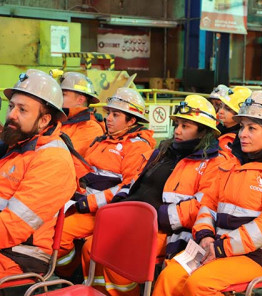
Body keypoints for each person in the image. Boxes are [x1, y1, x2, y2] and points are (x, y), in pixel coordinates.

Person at [152, 91, 262, 296]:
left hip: (257, 257)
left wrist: (220, 248)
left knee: (199, 284)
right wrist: (205, 235)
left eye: (252, 128)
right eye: (242, 127)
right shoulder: (229, 166)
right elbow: (207, 206)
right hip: (215, 247)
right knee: (169, 275)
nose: (242, 133)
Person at [81, 95, 227, 296]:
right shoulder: (163, 151)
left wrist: (159, 216)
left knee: (120, 257)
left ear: (203, 131)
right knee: (91, 247)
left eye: (185, 126)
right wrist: (121, 202)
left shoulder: (214, 163)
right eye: (177, 124)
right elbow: (136, 181)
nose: (177, 130)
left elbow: (202, 205)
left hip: (166, 229)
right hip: (136, 221)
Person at [57, 87, 155, 275]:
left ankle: (67, 274)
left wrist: (90, 202)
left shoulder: (137, 147)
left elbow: (127, 187)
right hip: (83, 205)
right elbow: (86, 173)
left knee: (60, 234)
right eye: (109, 113)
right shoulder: (102, 141)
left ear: (132, 120)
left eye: (115, 115)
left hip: (104, 212)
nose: (108, 118)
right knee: (49, 226)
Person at [0, 70, 76, 277]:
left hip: (20, 256)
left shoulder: (52, 159)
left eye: (22, 110)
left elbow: (13, 227)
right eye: (11, 106)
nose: (11, 115)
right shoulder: (15, 145)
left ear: (44, 121)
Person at [59, 72, 105, 157]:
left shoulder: (91, 127)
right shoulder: (63, 119)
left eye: (63, 94)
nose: (58, 98)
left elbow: (67, 156)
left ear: (80, 100)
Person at [217, 86, 252, 153]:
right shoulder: (218, 129)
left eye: (228, 109)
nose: (220, 111)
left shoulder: (241, 140)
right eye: (221, 106)